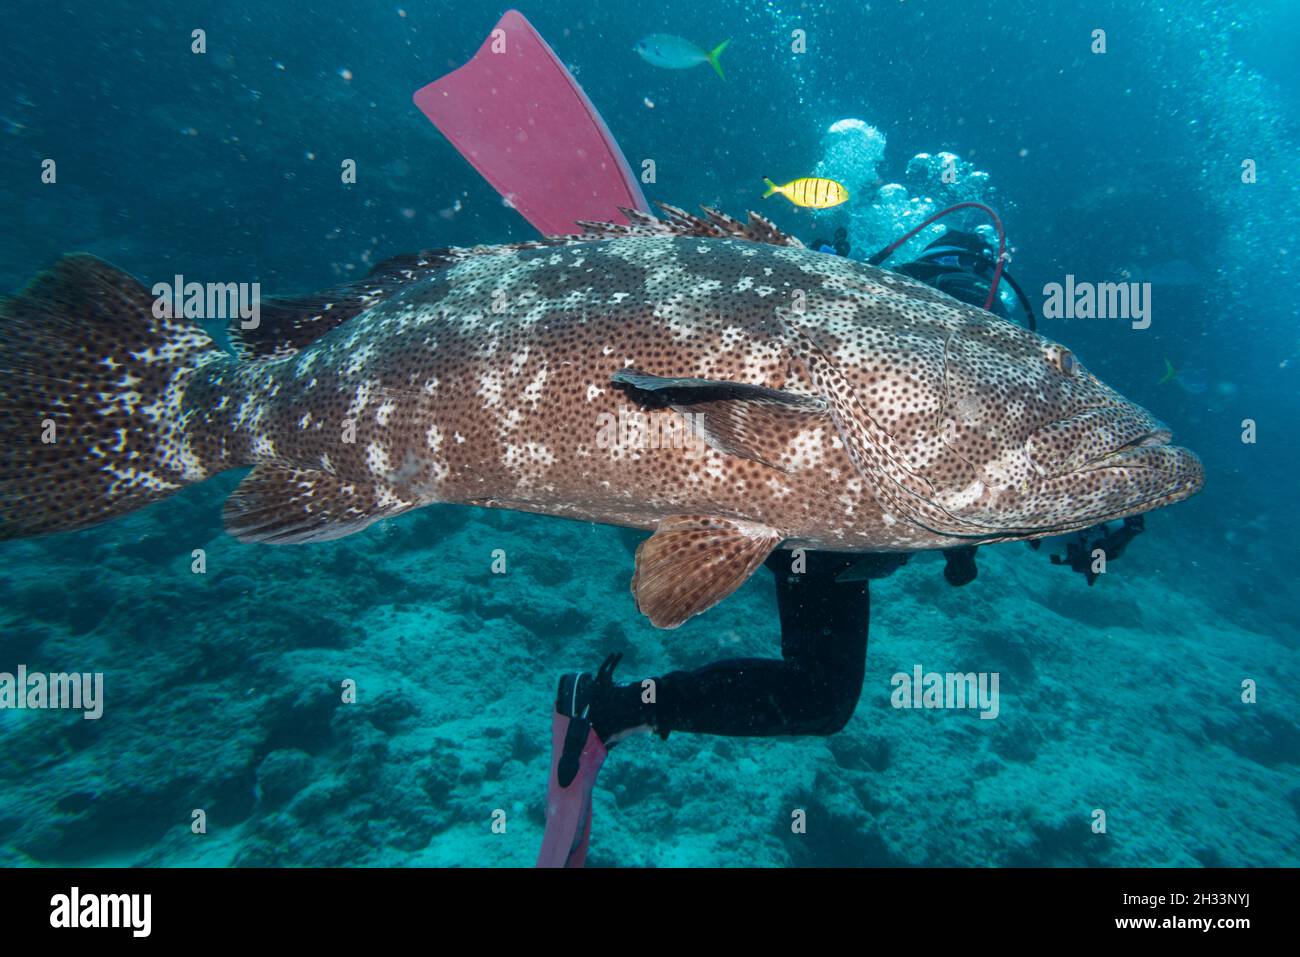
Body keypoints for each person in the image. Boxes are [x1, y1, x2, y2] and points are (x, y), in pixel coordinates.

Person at [536, 228, 1135, 867]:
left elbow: (994, 472)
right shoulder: (954, 331)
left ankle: (609, 711)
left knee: (822, 700)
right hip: (808, 509)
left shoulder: (966, 337)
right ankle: (613, 709)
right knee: (820, 696)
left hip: (837, 539)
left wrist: (1074, 514)